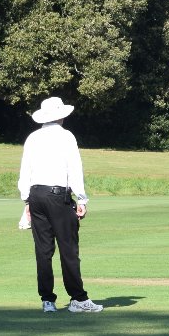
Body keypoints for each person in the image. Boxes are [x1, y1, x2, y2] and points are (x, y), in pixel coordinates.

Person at [16, 96, 103, 312]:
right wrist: (81, 198)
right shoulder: (66, 137)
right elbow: (74, 169)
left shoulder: (33, 138)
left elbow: (25, 171)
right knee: (68, 248)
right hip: (57, 195)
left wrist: (27, 199)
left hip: (36, 195)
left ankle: (47, 301)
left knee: (43, 250)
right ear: (62, 115)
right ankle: (78, 299)